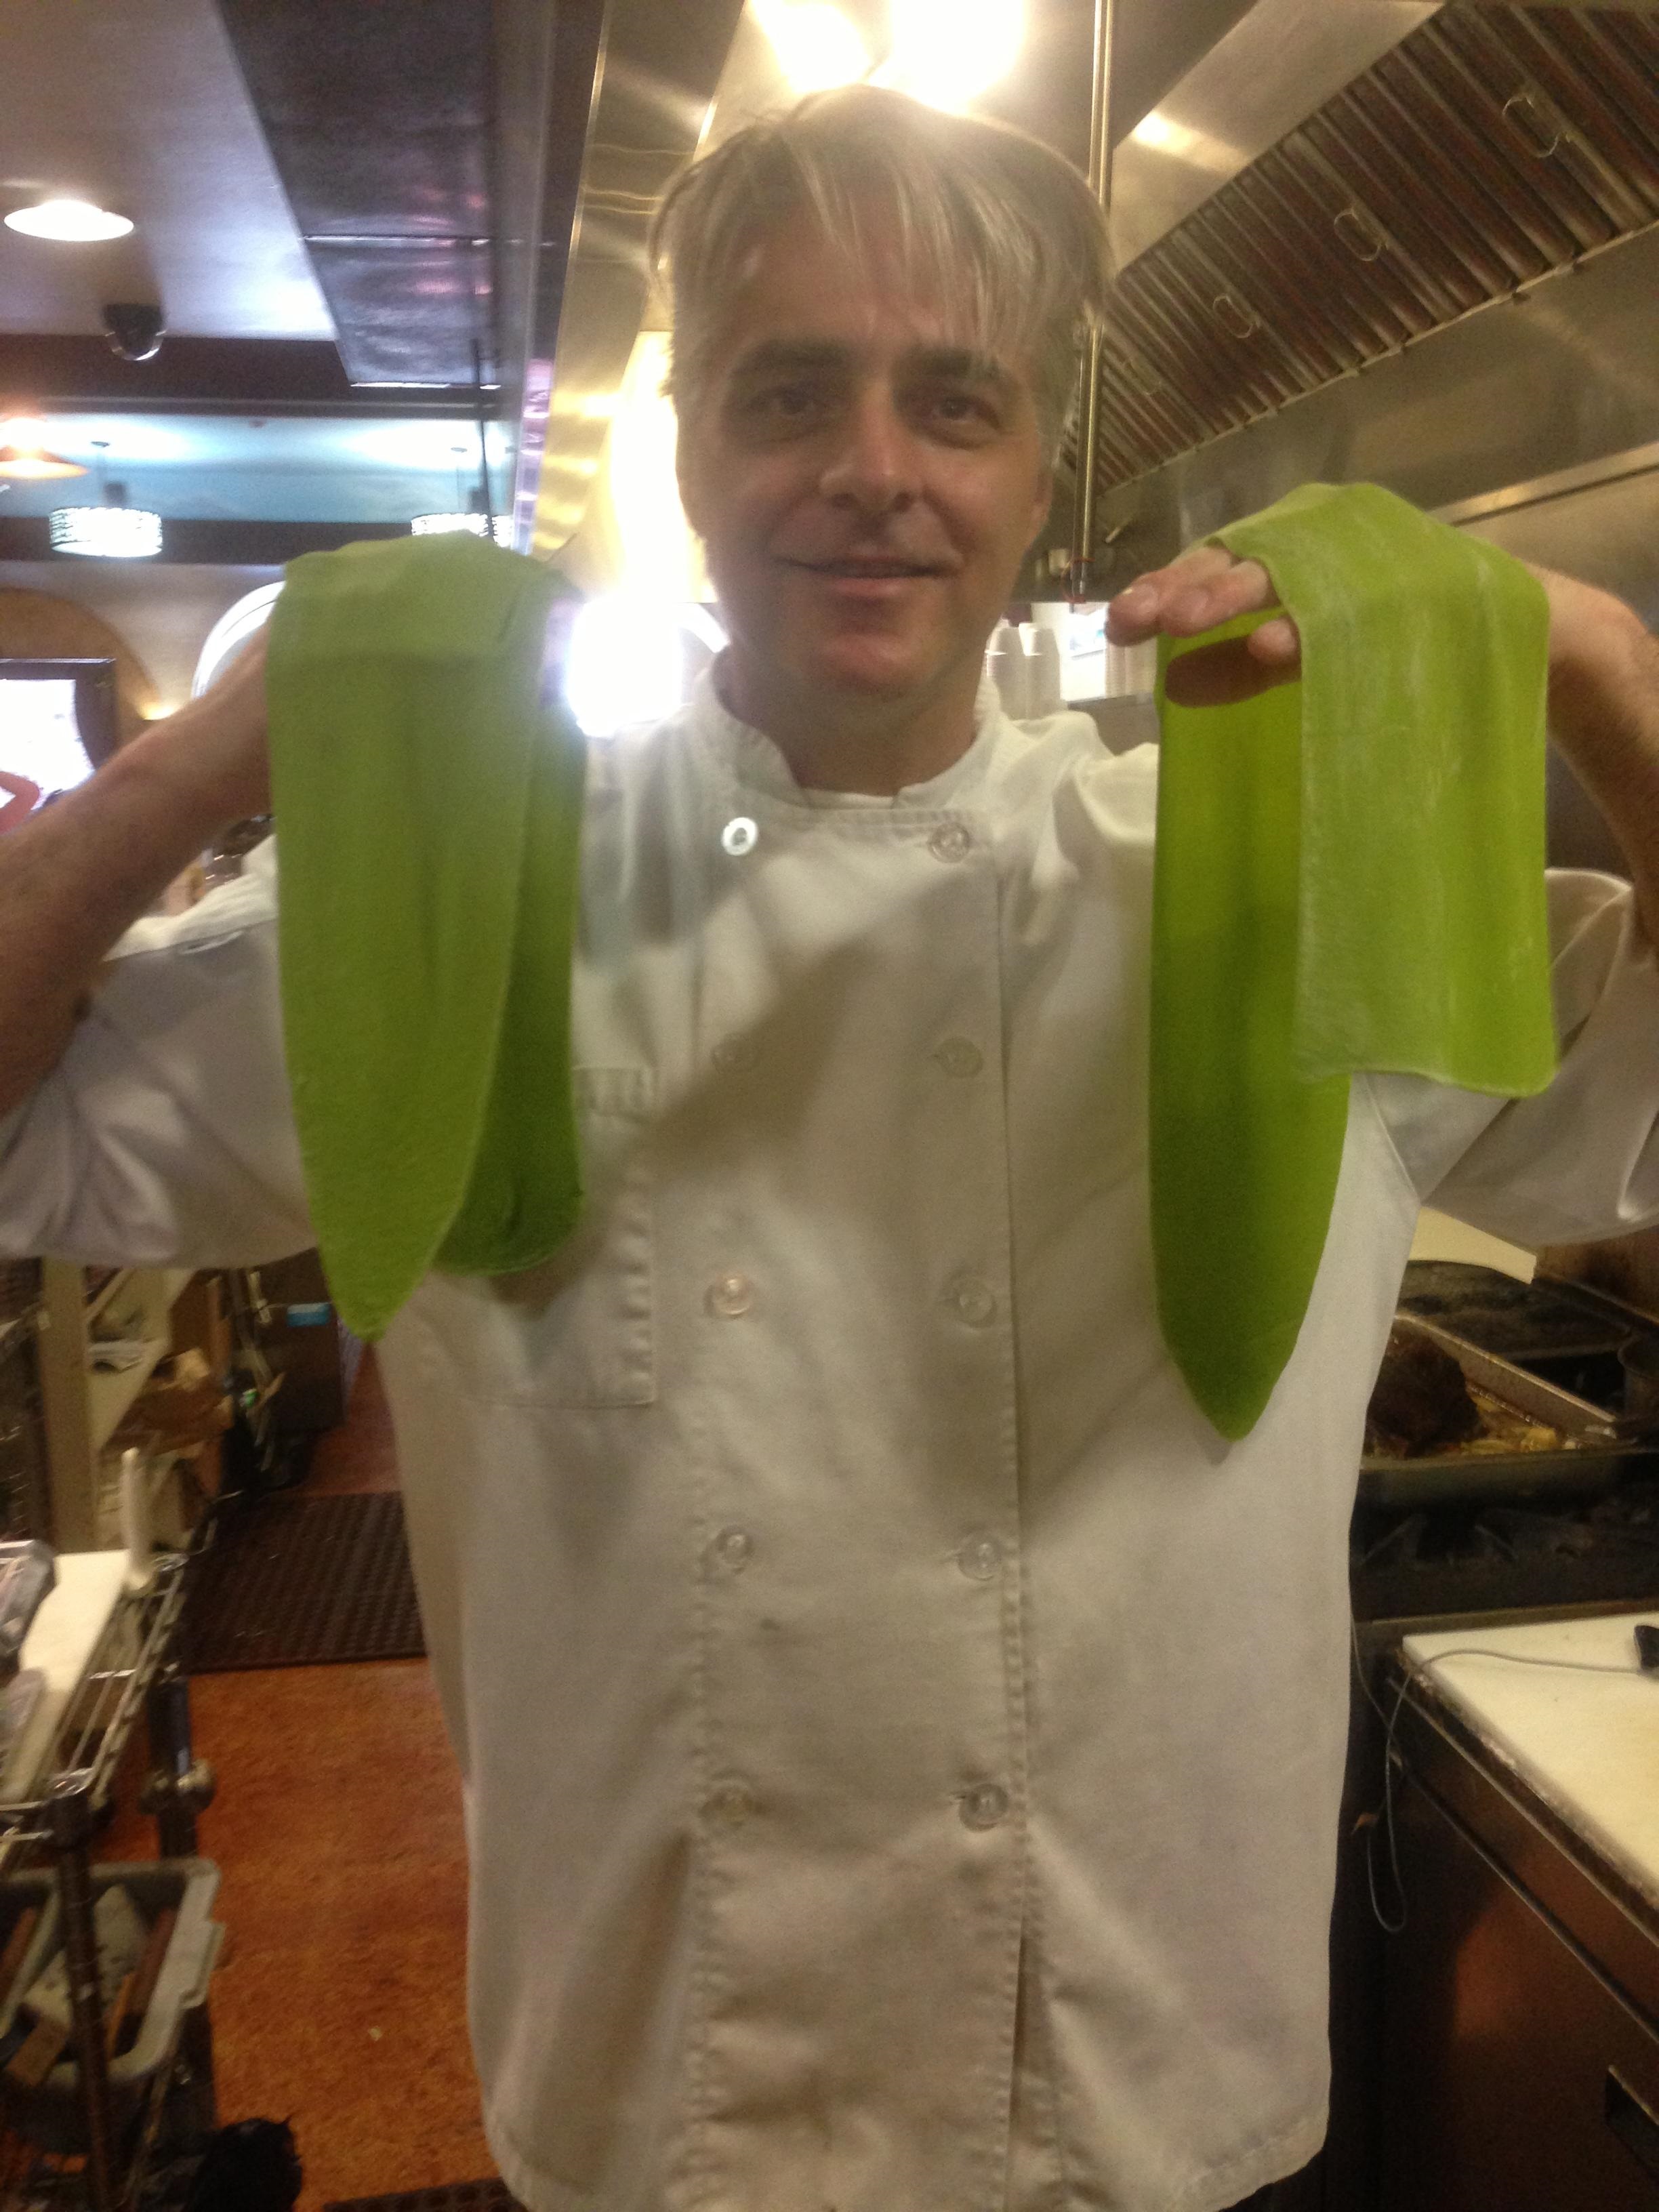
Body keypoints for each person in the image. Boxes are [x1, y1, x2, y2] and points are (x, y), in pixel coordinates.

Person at [2, 84, 1657, 2212]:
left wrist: (1595, 660)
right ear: (687, 447)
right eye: (792, 392)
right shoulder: (475, 899)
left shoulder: (1260, 882)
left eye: (949, 401)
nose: (871, 473)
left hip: (1151, 2101)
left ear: (1038, 464)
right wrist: (216, 747)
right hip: (671, 2113)